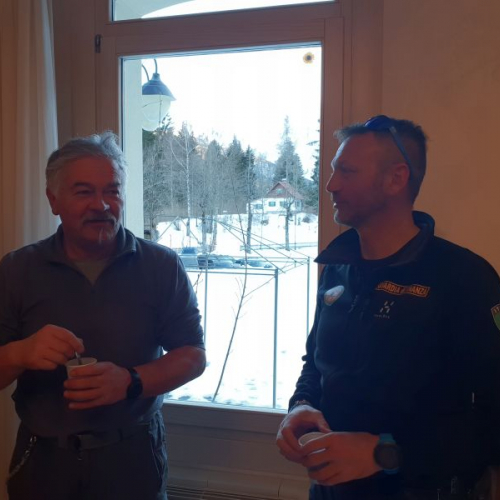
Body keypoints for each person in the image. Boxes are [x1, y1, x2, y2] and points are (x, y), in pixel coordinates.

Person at [276, 115, 500, 500]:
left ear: (396, 179)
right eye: (333, 171)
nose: (331, 185)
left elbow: (492, 421)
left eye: (346, 171)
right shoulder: (337, 269)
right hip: (331, 491)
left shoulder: (464, 277)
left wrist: (384, 453)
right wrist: (302, 405)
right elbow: (315, 362)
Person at [0, 131, 206, 500]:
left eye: (112, 190)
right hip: (43, 462)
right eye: (84, 192)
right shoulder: (17, 270)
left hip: (133, 459)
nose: (102, 205)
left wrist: (130, 381)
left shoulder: (161, 266)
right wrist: (19, 353)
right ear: (53, 200)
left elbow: (192, 356)